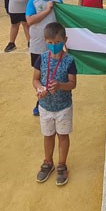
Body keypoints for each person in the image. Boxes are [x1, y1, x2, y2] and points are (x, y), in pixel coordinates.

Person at [33, 22, 77, 186]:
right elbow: (35, 79)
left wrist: (60, 85)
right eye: (50, 43)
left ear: (64, 40)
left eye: (57, 42)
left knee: (63, 136)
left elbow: (72, 84)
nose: (53, 46)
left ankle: (61, 165)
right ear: (45, 41)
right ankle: (48, 162)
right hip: (45, 106)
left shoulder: (70, 61)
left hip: (63, 107)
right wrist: (39, 88)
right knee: (48, 135)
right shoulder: (42, 58)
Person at [27, 0, 64, 116]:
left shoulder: (58, 2)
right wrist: (47, 10)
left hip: (55, 45)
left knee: (54, 73)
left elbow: (66, 21)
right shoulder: (33, 2)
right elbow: (30, 20)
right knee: (40, 74)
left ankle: (54, 98)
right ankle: (41, 99)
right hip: (37, 45)